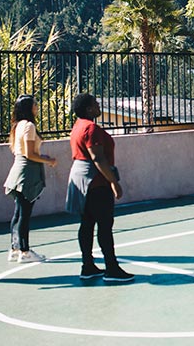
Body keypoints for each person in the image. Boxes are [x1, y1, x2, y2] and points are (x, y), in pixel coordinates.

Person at [65, 93, 134, 283]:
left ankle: (87, 265)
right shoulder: (91, 128)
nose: (98, 105)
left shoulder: (78, 125)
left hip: (81, 180)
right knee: (104, 225)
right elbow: (98, 158)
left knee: (86, 223)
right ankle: (111, 268)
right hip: (95, 182)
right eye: (95, 103)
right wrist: (113, 181)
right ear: (89, 109)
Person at [3, 95, 57, 263]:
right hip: (26, 173)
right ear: (29, 108)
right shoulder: (29, 126)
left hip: (20, 170)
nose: (37, 107)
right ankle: (25, 251)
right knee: (24, 213)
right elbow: (29, 154)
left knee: (19, 212)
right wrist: (49, 160)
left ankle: (15, 248)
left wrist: (42, 156)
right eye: (35, 104)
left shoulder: (18, 125)